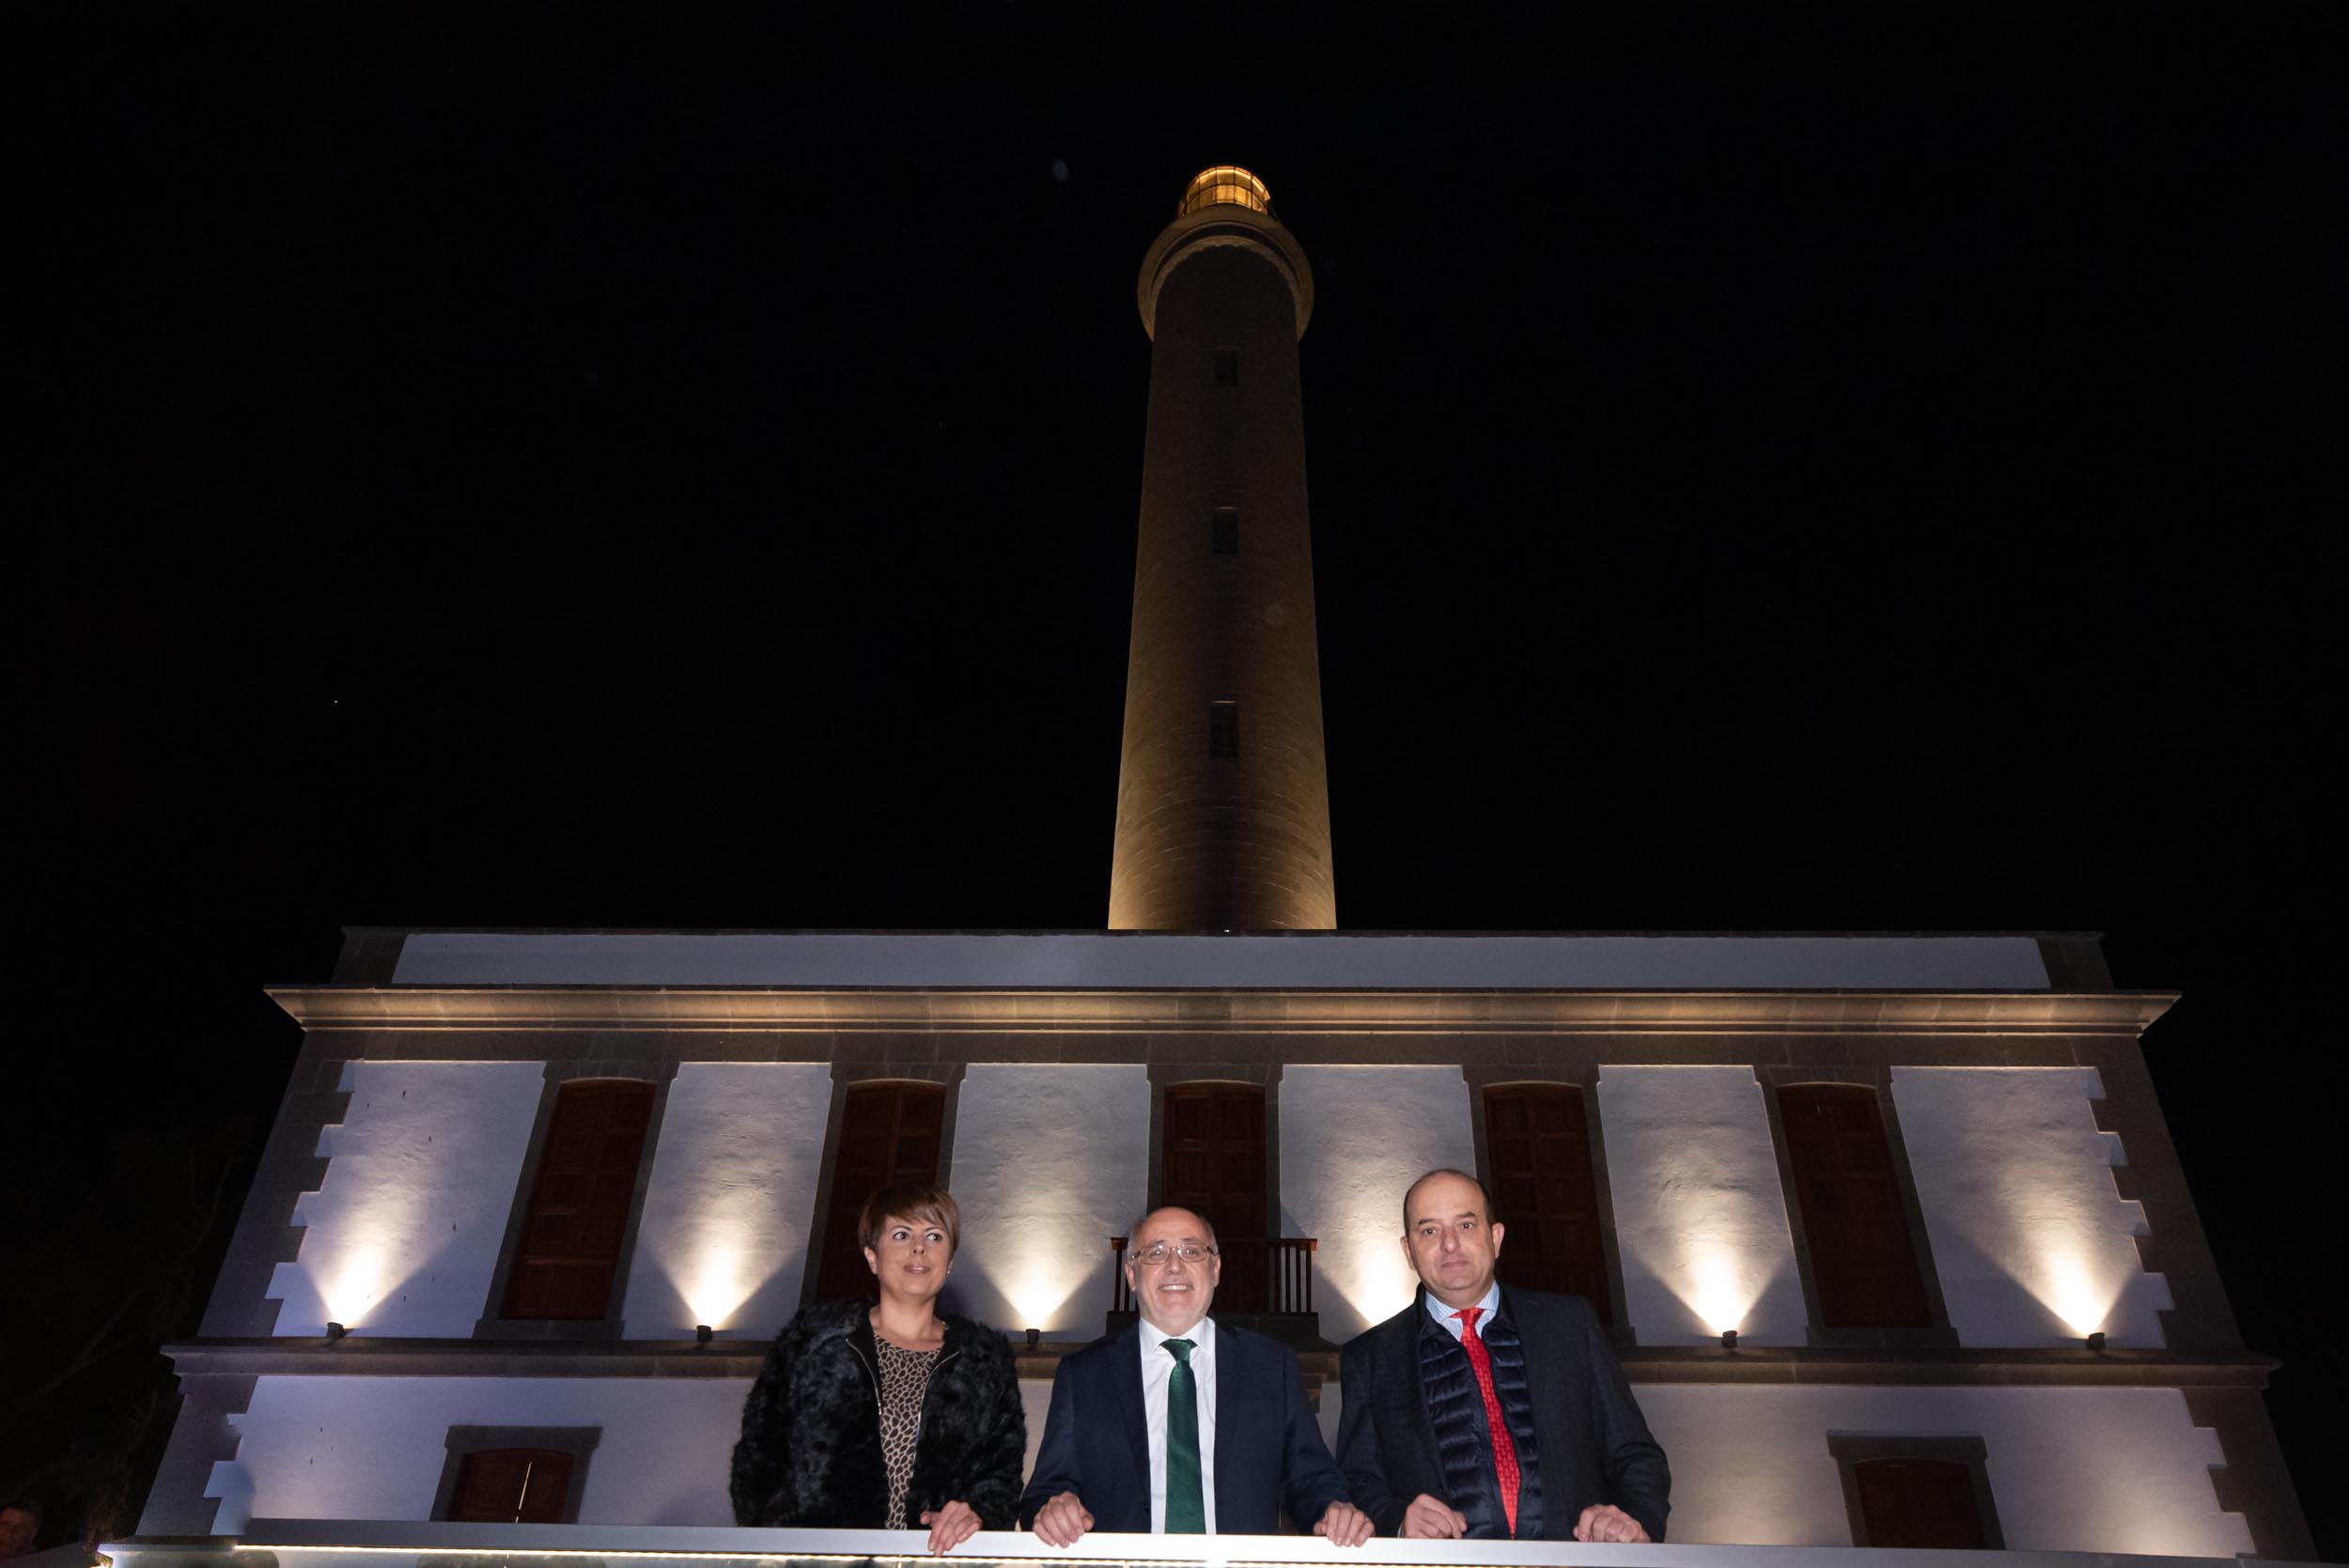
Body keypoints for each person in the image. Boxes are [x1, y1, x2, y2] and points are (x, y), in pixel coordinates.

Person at [1336, 1169, 1669, 1544]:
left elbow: (1635, 1453)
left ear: (1495, 1238)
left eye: (1465, 1225)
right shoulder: (1368, 1358)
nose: (1449, 1244)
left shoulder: (1571, 1325)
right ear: (1408, 1251)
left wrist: (1634, 1519)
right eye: (1429, 1230)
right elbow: (1357, 1480)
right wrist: (1397, 1520)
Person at [1021, 1205, 1372, 1547]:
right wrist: (1054, 1507)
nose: (1175, 1265)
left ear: (1216, 1269)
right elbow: (1045, 1489)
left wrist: (1332, 1507)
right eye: (1156, 1253)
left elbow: (1310, 1475)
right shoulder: (1083, 1375)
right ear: (1132, 1273)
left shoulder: (1270, 1365)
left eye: (1191, 1251)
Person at [731, 1182, 1025, 1553]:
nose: (919, 1247)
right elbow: (758, 1457)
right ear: (872, 1256)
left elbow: (1001, 1478)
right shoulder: (812, 1342)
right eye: (902, 1234)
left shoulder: (986, 1362)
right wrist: (786, 1540)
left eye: (934, 1236)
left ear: (949, 1260)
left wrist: (978, 1515)